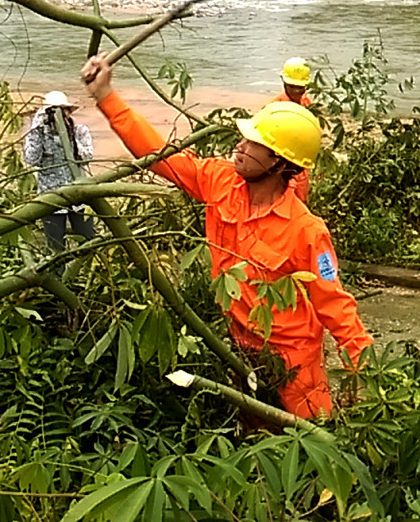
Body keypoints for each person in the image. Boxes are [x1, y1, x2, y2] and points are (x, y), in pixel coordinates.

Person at [81, 52, 372, 419]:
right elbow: (159, 155)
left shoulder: (306, 231)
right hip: (237, 348)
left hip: (294, 363)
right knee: (250, 433)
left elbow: (335, 305)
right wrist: (106, 96)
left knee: (309, 439)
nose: (240, 147)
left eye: (253, 145)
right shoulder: (220, 181)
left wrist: (369, 369)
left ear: (280, 164)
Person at [23, 91, 95, 249]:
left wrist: (68, 138)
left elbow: (87, 156)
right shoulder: (38, 134)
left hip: (79, 193)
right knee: (56, 246)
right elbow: (31, 159)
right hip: (50, 196)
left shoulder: (79, 131)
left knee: (89, 241)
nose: (59, 117)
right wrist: (36, 128)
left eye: (63, 112)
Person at [270, 58, 312, 200]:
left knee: (301, 201)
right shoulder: (274, 108)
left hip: (300, 162)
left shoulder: (306, 102)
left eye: (300, 87)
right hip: (281, 165)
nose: (296, 90)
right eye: (292, 86)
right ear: (284, 83)